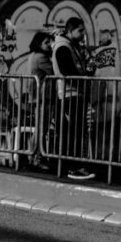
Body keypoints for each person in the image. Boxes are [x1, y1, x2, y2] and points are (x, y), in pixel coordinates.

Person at [50, 17, 96, 181]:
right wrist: (84, 78)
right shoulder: (63, 47)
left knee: (76, 130)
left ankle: (74, 166)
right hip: (70, 94)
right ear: (70, 31)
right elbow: (68, 71)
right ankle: (73, 167)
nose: (83, 34)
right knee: (75, 131)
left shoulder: (69, 46)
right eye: (80, 31)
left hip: (73, 93)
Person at [26, 31, 55, 171]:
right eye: (46, 42)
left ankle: (33, 157)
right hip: (44, 96)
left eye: (50, 42)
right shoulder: (41, 57)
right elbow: (54, 72)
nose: (49, 45)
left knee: (40, 127)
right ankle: (36, 158)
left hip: (38, 96)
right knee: (42, 128)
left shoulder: (33, 56)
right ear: (39, 44)